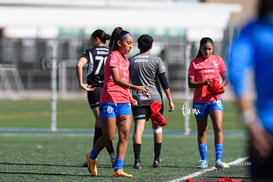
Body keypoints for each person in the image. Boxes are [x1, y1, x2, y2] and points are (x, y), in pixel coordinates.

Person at [86, 27, 148, 178]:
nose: (130, 46)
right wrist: (136, 88)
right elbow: (117, 80)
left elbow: (124, 82)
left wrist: (129, 96)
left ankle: (118, 169)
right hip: (109, 101)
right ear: (119, 43)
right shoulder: (113, 56)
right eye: (128, 43)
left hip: (123, 102)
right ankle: (92, 156)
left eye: (132, 43)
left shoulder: (126, 61)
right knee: (109, 136)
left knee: (125, 134)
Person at [228, 0, 273, 181]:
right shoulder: (254, 31)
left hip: (263, 131)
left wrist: (251, 122)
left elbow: (235, 72)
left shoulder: (252, 30)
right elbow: (235, 73)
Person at [129, 34, 175, 169]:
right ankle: (156, 160)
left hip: (138, 99)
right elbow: (164, 82)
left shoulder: (130, 61)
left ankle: (137, 161)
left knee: (138, 131)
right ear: (151, 46)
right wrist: (170, 100)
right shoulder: (157, 60)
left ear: (138, 46)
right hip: (155, 100)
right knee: (157, 129)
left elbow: (126, 82)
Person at [76, 29, 116, 167]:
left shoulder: (90, 51)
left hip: (94, 89)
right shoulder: (111, 52)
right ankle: (93, 157)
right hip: (108, 89)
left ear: (97, 39)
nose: (90, 41)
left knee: (102, 124)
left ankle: (111, 156)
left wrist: (81, 83)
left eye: (91, 39)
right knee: (100, 123)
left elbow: (79, 64)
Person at [188, 37, 228, 169]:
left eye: (210, 49)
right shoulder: (195, 63)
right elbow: (190, 83)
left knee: (218, 127)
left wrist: (220, 87)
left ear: (213, 48)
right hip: (199, 102)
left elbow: (226, 78)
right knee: (202, 130)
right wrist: (204, 83)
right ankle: (204, 160)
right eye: (205, 49)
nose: (207, 51)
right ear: (200, 49)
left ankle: (218, 160)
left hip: (215, 100)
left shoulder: (218, 60)